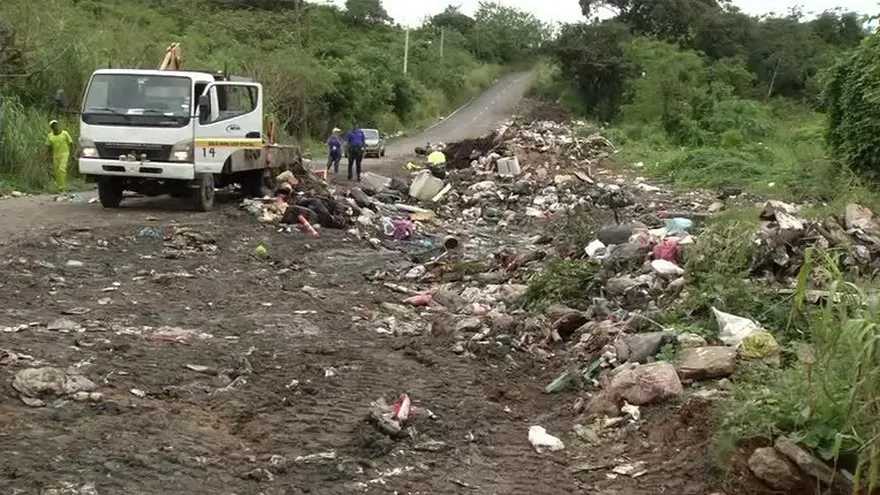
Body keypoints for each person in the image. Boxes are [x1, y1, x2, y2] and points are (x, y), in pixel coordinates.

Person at [45, 120, 73, 191]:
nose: (55, 126)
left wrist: (72, 154)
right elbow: (48, 147)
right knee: (56, 172)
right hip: (56, 155)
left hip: (65, 154)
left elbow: (71, 143)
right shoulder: (50, 136)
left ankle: (62, 187)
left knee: (62, 169)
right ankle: (58, 186)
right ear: (51, 127)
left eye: (56, 125)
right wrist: (47, 156)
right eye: (53, 125)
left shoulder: (64, 133)